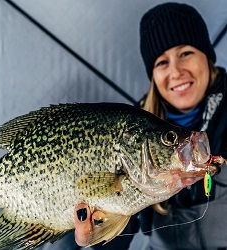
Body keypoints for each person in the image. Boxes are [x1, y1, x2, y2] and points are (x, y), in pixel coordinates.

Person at [74, 2, 227, 249]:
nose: (176, 71)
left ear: (207, 57)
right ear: (153, 75)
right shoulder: (128, 133)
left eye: (185, 53)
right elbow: (120, 236)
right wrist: (97, 236)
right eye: (161, 62)